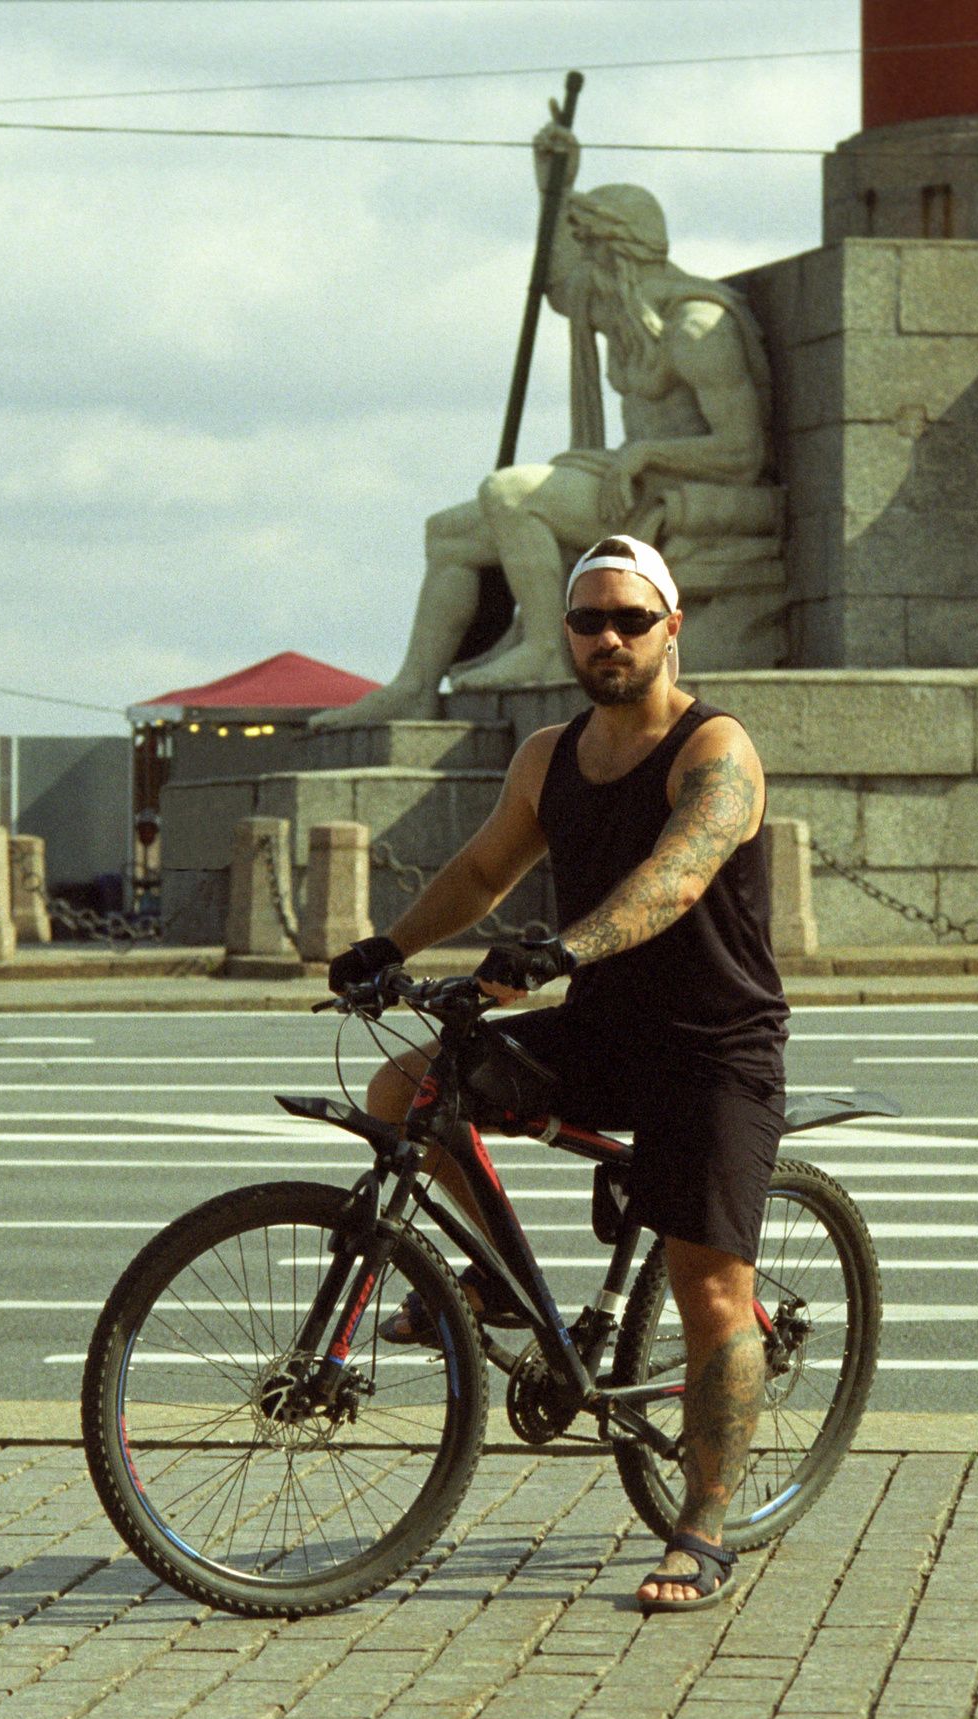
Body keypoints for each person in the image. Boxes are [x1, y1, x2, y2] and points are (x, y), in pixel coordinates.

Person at [326, 532, 788, 1613]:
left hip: (712, 1044)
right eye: (590, 621)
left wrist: (563, 949)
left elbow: (677, 875)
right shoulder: (549, 753)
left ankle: (703, 1525)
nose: (610, 638)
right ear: (568, 636)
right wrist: (389, 948)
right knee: (407, 1092)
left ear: (672, 628)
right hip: (601, 1026)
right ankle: (488, 1280)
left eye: (633, 619)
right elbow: (487, 866)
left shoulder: (714, 749)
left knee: (710, 1287)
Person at [310, 123, 772, 731]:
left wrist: (642, 455)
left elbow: (743, 450)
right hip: (629, 479)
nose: (586, 266)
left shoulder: (695, 326)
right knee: (447, 534)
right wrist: (556, 185)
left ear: (618, 249)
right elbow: (559, 286)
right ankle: (414, 688)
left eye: (591, 247)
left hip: (672, 490)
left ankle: (542, 648)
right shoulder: (625, 303)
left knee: (508, 492)